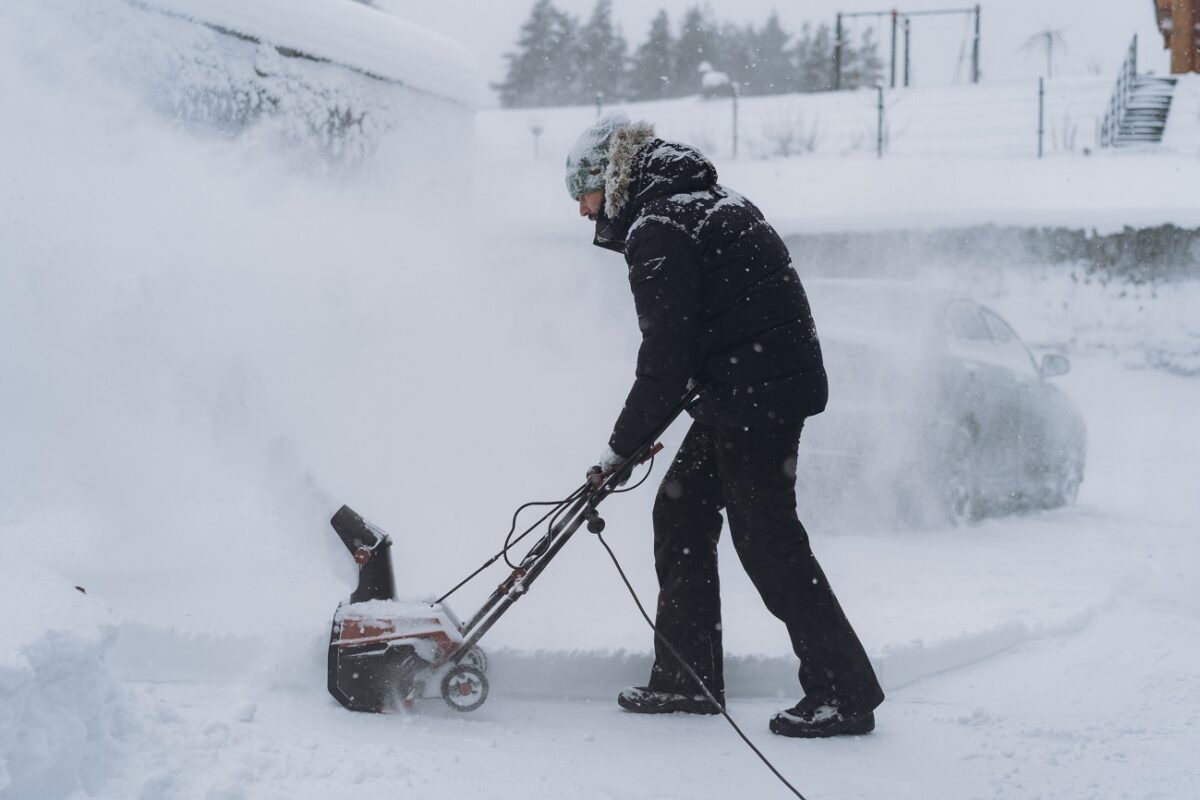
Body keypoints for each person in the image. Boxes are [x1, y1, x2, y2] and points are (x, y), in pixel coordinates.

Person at [566, 114, 884, 738]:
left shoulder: (660, 225)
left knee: (767, 540)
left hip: (755, 396)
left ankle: (844, 692)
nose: (581, 209)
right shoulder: (702, 201)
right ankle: (689, 678)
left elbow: (665, 356)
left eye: (584, 191)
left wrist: (617, 451)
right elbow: (712, 327)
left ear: (610, 176)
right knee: (681, 512)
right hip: (750, 390)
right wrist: (659, 418)